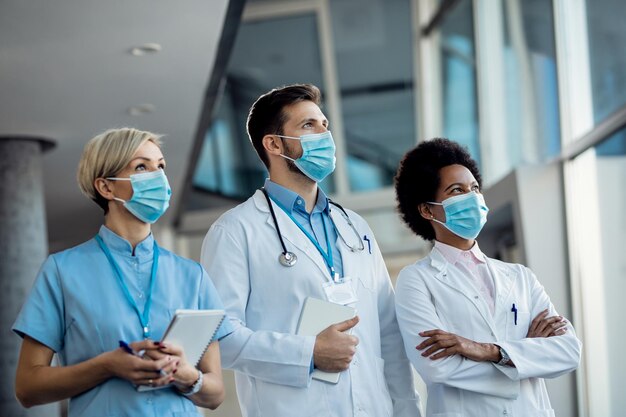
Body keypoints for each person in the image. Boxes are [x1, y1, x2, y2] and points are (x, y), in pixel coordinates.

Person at [200, 84, 422, 417]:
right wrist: (308, 352)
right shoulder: (235, 231)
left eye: (324, 125)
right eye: (308, 126)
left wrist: (407, 410)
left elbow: (388, 334)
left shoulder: (355, 226)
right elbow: (222, 339)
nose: (324, 134)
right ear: (274, 144)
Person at [13, 128, 232, 416]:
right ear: (106, 187)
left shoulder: (194, 275)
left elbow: (215, 394)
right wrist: (105, 366)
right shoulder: (62, 271)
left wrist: (187, 376)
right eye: (141, 166)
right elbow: (27, 388)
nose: (158, 177)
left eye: (161, 166)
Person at [393, 138, 582, 416]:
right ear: (427, 209)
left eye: (475, 188)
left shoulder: (519, 276)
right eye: (457, 190)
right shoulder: (416, 280)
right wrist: (525, 358)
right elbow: (437, 367)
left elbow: (568, 352)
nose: (471, 197)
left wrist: (489, 351)